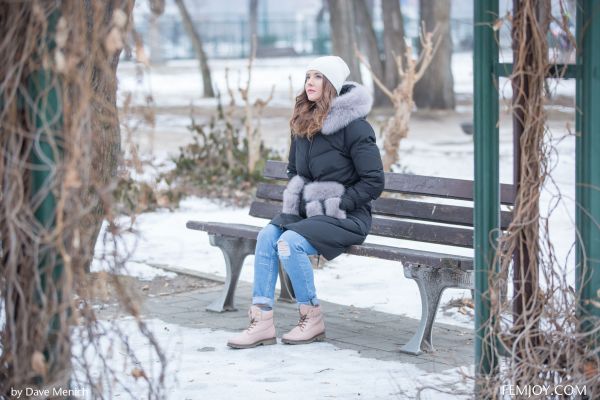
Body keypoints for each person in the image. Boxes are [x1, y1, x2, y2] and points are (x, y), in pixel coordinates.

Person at [227, 55, 385, 349]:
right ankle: (261, 322)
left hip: (346, 217)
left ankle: (312, 318)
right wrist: (301, 196)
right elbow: (294, 171)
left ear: (332, 85)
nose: (310, 82)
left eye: (318, 76)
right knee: (267, 236)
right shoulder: (302, 123)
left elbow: (374, 182)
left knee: (289, 242)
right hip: (308, 215)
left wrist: (336, 203)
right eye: (308, 76)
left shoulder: (356, 128)